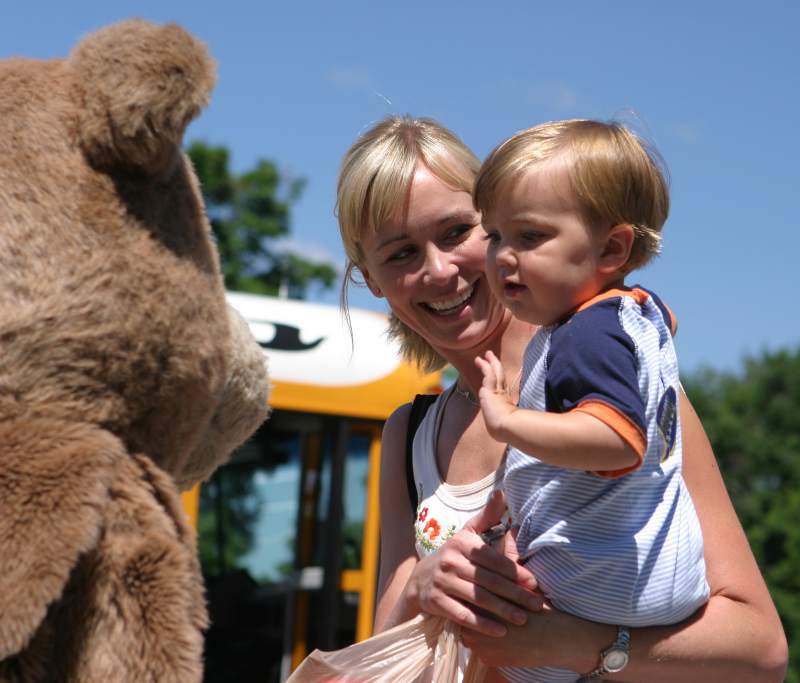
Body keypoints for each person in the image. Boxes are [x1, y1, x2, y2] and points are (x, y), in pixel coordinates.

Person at [336, 115, 787, 681]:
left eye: (456, 232)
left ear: (497, 220)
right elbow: (381, 651)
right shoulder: (410, 433)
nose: (439, 270)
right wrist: (425, 585)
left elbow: (760, 648)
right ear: (370, 279)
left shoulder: (615, 384)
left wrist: (576, 644)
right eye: (400, 253)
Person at [472, 119, 708, 681]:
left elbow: (614, 440)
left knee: (498, 652)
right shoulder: (640, 309)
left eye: (529, 237)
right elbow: (667, 327)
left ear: (612, 248)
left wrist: (507, 420)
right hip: (665, 571)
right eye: (495, 235)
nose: (504, 256)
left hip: (602, 583)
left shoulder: (585, 333)